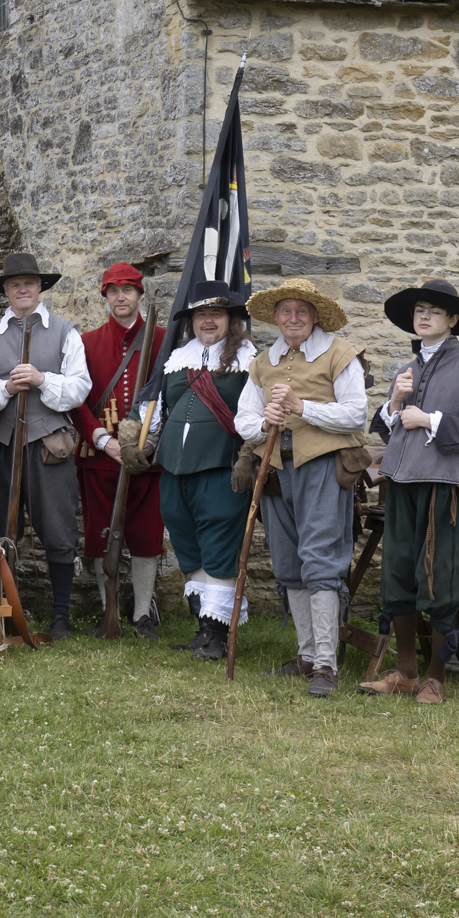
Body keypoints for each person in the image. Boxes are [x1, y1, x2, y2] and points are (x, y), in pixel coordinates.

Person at [362, 280, 459, 706]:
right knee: (398, 575)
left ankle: (435, 677)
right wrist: (394, 402)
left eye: (434, 312)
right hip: (402, 483)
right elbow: (386, 426)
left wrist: (431, 419)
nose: (424, 317)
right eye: (420, 310)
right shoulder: (408, 369)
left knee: (441, 580)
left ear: (453, 320)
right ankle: (405, 673)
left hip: (446, 487)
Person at [233, 278, 370, 698]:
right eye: (285, 312)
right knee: (289, 562)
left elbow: (355, 414)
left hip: (324, 467)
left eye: (301, 312)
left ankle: (327, 665)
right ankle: (307, 655)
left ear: (314, 317)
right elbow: (243, 420)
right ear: (275, 318)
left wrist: (300, 407)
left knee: (321, 558)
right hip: (276, 469)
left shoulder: (339, 354)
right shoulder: (262, 362)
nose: (293, 318)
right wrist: (264, 421)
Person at [0, 253, 93, 641]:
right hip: (2, 445)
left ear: (40, 287)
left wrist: (42, 379)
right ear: (5, 291)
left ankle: (60, 617)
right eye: (14, 284)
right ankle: (1, 612)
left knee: (58, 533)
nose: (22, 289)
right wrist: (4, 389)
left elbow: (79, 388)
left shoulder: (64, 331)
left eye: (28, 282)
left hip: (47, 446)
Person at [144, 280, 257, 660]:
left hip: (221, 464)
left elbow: (256, 414)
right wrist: (137, 441)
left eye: (216, 314)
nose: (208, 321)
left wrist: (249, 456)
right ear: (191, 321)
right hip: (174, 465)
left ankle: (217, 635)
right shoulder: (177, 358)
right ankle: (202, 627)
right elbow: (156, 407)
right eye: (200, 315)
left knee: (219, 544)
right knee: (186, 539)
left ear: (231, 319)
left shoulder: (248, 358)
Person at [72, 263, 167, 638]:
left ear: (140, 295)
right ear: (105, 296)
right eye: (113, 290)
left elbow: (171, 395)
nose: (121, 297)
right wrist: (103, 441)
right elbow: (76, 401)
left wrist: (151, 442)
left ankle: (142, 614)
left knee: (146, 536)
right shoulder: (86, 343)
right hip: (99, 458)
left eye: (128, 289)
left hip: (147, 459)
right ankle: (108, 608)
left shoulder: (163, 339)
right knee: (100, 536)